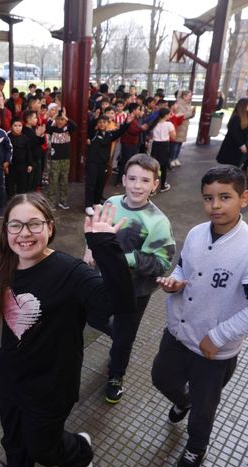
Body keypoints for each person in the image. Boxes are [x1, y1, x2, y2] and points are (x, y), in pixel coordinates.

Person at [0, 195, 135, 467]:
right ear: (5, 231)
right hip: (11, 375)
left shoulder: (70, 272)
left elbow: (119, 304)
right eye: (15, 225)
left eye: (34, 224)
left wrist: (104, 245)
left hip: (53, 383)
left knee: (43, 448)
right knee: (13, 438)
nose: (24, 233)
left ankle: (80, 452)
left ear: (50, 227)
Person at [152, 165, 248, 467]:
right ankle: (183, 401)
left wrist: (218, 336)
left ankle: (196, 446)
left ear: (244, 198)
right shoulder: (196, 233)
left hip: (212, 350)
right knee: (160, 378)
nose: (216, 206)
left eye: (225, 197)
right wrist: (175, 281)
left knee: (204, 407)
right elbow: (184, 268)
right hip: (179, 331)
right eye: (208, 198)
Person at [86, 154, 175, 404]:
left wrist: (127, 259)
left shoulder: (158, 221)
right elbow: (94, 229)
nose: (138, 185)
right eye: (133, 178)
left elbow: (163, 263)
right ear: (123, 179)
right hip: (102, 283)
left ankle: (116, 375)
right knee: (94, 317)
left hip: (134, 291)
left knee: (124, 338)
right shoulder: (112, 203)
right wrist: (89, 247)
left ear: (155, 185)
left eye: (145, 180)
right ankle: (120, 337)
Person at [84, 115, 129, 214]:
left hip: (103, 163)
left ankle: (96, 202)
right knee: (91, 184)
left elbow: (120, 131)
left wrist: (127, 123)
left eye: (104, 122)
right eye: (100, 122)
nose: (102, 124)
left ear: (107, 123)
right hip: (92, 162)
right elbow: (90, 125)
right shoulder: (93, 133)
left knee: (100, 183)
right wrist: (97, 115)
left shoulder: (110, 135)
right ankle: (88, 205)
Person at [45, 110, 77, 208]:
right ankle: (51, 202)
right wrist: (53, 117)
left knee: (64, 180)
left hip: (65, 159)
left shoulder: (68, 129)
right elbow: (47, 127)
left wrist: (66, 117)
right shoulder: (52, 129)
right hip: (55, 159)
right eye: (58, 119)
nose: (60, 121)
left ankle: (63, 201)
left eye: (62, 119)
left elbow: (74, 126)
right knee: (53, 181)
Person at [215, 98, 248, 168]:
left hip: (236, 148)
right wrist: (242, 145)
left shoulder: (243, 116)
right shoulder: (236, 117)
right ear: (244, 105)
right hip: (231, 148)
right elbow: (234, 133)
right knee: (230, 168)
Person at [146, 107, 174, 193]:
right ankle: (162, 186)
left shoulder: (154, 124)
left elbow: (150, 135)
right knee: (163, 167)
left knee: (155, 167)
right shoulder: (169, 124)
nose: (170, 116)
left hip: (155, 145)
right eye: (169, 114)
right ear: (165, 115)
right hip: (164, 145)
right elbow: (173, 136)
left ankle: (152, 188)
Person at [8, 118, 33, 198]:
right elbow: (5, 151)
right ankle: (10, 200)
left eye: (20, 126)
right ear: (11, 127)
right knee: (10, 184)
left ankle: (21, 200)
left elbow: (29, 151)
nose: (18, 128)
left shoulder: (25, 138)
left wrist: (30, 164)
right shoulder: (8, 137)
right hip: (11, 165)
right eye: (15, 126)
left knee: (22, 184)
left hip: (22, 165)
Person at [170, 90, 196, 167]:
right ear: (184, 96)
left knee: (180, 144)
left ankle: (176, 158)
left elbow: (189, 115)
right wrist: (190, 112)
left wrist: (193, 113)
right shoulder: (178, 104)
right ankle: (172, 158)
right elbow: (180, 116)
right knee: (175, 144)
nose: (190, 97)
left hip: (184, 127)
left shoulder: (188, 104)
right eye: (189, 96)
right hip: (179, 127)